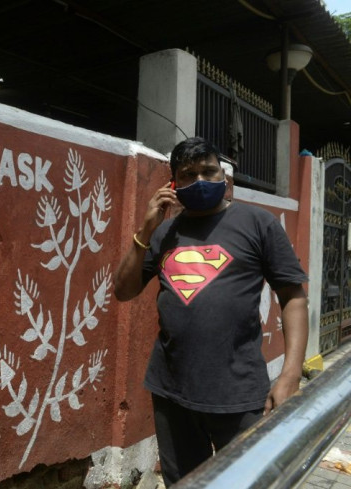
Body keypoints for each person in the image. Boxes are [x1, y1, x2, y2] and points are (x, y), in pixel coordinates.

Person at [114, 137, 308, 487]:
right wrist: (145, 229)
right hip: (173, 394)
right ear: (173, 184)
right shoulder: (163, 233)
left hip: (239, 394)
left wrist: (291, 374)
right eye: (188, 175)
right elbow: (123, 291)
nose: (200, 180)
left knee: (249, 481)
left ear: (224, 176)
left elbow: (292, 296)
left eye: (209, 171)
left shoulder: (258, 223)